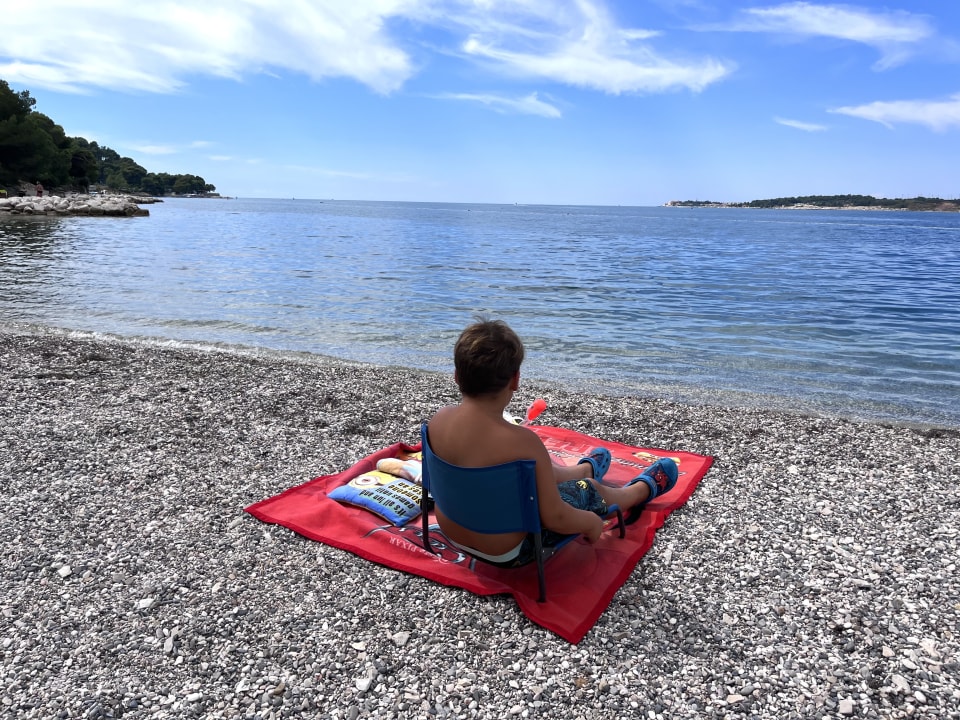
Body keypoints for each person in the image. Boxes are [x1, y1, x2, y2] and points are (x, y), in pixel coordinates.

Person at [426, 318, 678, 566]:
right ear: (515, 380)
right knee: (588, 489)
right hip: (510, 550)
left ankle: (581, 470)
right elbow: (555, 517)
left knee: (533, 471)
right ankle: (637, 492)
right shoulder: (523, 443)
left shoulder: (438, 420)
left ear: (457, 376)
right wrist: (591, 523)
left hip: (452, 533)